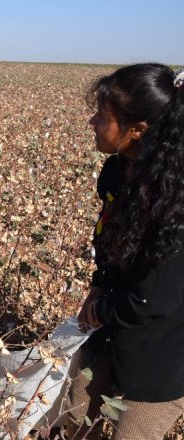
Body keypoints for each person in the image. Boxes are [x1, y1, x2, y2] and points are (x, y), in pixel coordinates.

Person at [67, 63, 184, 440]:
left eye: (103, 116)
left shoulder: (175, 203)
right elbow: (109, 243)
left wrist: (102, 309)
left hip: (162, 354)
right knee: (74, 417)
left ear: (138, 131)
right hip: (110, 329)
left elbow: (155, 299)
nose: (92, 122)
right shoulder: (120, 172)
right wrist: (100, 284)